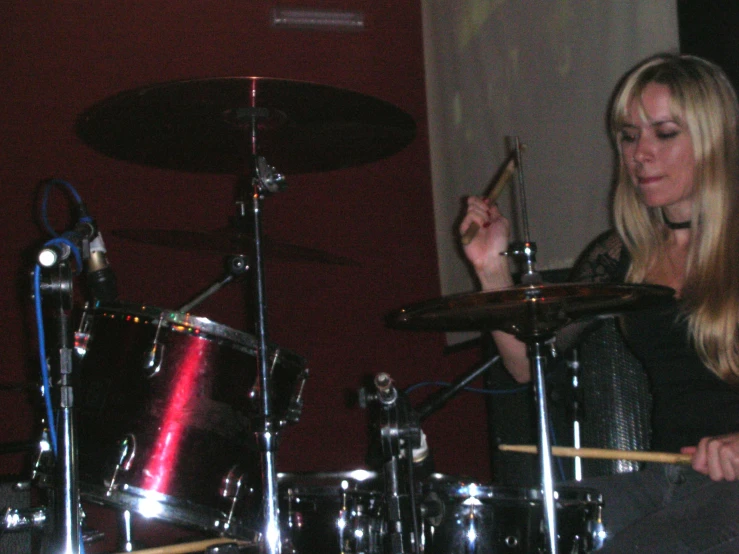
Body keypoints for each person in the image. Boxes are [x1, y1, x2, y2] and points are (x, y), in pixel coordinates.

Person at [460, 53, 739, 552]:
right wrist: (491, 270)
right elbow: (527, 364)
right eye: (629, 136)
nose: (640, 154)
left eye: (665, 133)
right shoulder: (621, 255)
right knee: (533, 528)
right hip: (670, 480)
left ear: (715, 139)